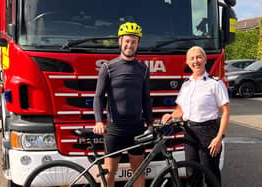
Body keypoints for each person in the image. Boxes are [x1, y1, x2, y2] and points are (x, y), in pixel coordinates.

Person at [93, 22, 152, 187]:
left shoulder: (143, 69)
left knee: (138, 170)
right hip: (115, 128)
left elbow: (146, 98)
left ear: (138, 44)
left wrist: (150, 123)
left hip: (136, 127)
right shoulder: (108, 67)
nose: (130, 45)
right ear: (120, 41)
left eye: (134, 42)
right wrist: (99, 121)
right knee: (109, 171)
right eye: (127, 41)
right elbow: (98, 96)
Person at [161, 46, 230, 186]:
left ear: (205, 60)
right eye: (192, 58)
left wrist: (218, 137)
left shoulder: (215, 83)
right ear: (187, 62)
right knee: (191, 173)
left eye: (199, 57)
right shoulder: (186, 85)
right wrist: (171, 115)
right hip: (189, 132)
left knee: (210, 173)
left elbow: (226, 111)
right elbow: (180, 109)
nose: (195, 61)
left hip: (208, 132)